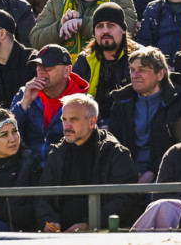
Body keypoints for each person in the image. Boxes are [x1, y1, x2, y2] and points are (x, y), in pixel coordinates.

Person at [36, 93, 141, 232]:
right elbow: (43, 197)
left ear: (92, 122)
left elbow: (126, 199)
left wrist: (91, 225)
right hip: (60, 235)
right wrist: (50, 222)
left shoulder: (115, 152)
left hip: (101, 234)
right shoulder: (57, 153)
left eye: (73, 119)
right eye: (64, 119)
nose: (66, 126)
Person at [108, 46, 181, 183]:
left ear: (160, 74)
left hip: (168, 175)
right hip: (127, 175)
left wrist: (151, 173)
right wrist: (130, 173)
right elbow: (113, 145)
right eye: (132, 70)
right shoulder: (121, 102)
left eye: (142, 70)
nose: (134, 75)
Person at [10, 44, 88, 161]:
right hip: (28, 168)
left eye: (47, 67)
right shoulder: (24, 94)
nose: (41, 72)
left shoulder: (83, 103)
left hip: (63, 171)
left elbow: (85, 148)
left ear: (67, 71)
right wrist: (24, 103)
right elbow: (6, 134)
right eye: (38, 66)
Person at [70, 2, 138, 122]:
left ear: (123, 30)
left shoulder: (138, 59)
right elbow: (72, 101)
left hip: (128, 125)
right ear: (94, 32)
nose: (105, 31)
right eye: (99, 26)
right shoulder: (84, 60)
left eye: (111, 25)